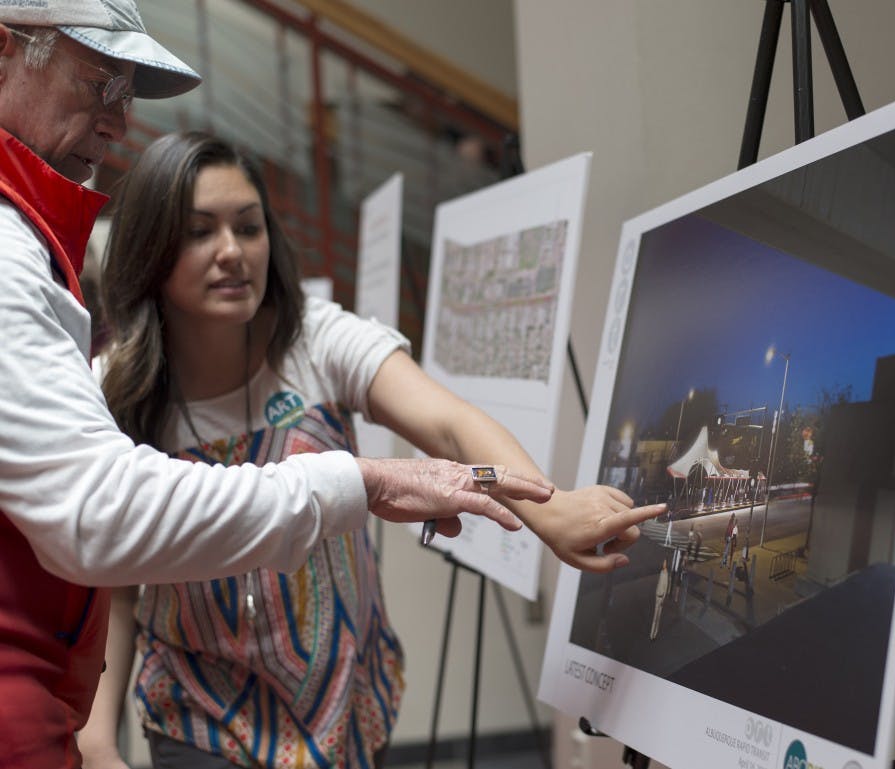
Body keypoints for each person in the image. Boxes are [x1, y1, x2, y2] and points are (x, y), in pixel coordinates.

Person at [0, 5, 661, 767]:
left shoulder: (316, 335)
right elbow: (110, 560)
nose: (231, 253)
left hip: (345, 709)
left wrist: (550, 509)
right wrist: (98, 734)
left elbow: (445, 425)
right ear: (151, 249)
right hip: (203, 720)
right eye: (198, 229)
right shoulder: (117, 378)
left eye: (247, 227)